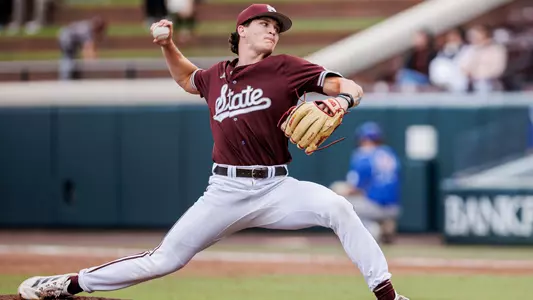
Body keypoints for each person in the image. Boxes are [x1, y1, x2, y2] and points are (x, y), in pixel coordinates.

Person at [17, 4, 409, 300]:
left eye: (277, 28)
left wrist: (342, 103)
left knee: (338, 207)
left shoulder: (287, 68)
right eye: (265, 25)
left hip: (277, 187)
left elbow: (350, 86)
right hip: (225, 190)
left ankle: (388, 296)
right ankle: (66, 284)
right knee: (164, 260)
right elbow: (188, 78)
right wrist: (168, 44)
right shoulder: (216, 75)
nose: (273, 31)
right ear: (242, 30)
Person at [330, 122, 401, 244]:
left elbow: (354, 188)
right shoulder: (390, 153)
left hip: (375, 206)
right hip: (394, 207)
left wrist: (337, 192)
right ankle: (385, 224)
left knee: (337, 201)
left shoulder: (363, 154)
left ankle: (372, 230)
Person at [458, 24, 508, 93]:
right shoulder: (469, 50)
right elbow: (463, 67)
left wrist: (480, 75)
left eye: (476, 35)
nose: (473, 38)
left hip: (491, 85)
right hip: (471, 86)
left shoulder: (497, 49)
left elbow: (498, 69)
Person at [57, 16, 108, 80]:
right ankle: (65, 79)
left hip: (65, 35)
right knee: (68, 57)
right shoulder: (87, 30)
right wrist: (92, 62)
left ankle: (70, 76)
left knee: (71, 58)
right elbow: (88, 48)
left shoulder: (88, 26)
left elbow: (91, 46)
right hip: (66, 38)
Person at [429, 27, 470, 93]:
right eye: (450, 37)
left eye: (455, 37)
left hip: (462, 88)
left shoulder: (467, 50)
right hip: (443, 88)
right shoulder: (442, 53)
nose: (452, 39)